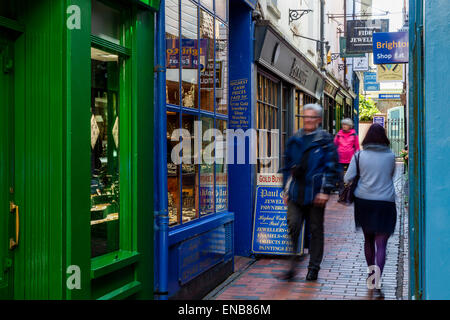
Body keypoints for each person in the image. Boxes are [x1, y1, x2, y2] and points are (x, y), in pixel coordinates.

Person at [281, 104, 341, 281]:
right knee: (293, 225)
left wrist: (325, 190)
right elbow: (286, 166)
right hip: (296, 192)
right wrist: (285, 188)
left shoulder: (324, 140)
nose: (307, 120)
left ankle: (313, 268)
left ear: (319, 120)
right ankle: (293, 263)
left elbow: (333, 167)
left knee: (315, 231)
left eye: (311, 117)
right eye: (305, 116)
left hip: (316, 195)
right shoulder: (295, 139)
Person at [344, 123, 397, 295]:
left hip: (364, 202)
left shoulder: (359, 155)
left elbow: (348, 177)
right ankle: (378, 281)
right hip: (385, 203)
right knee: (381, 243)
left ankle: (371, 277)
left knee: (368, 240)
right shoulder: (390, 156)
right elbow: (391, 175)